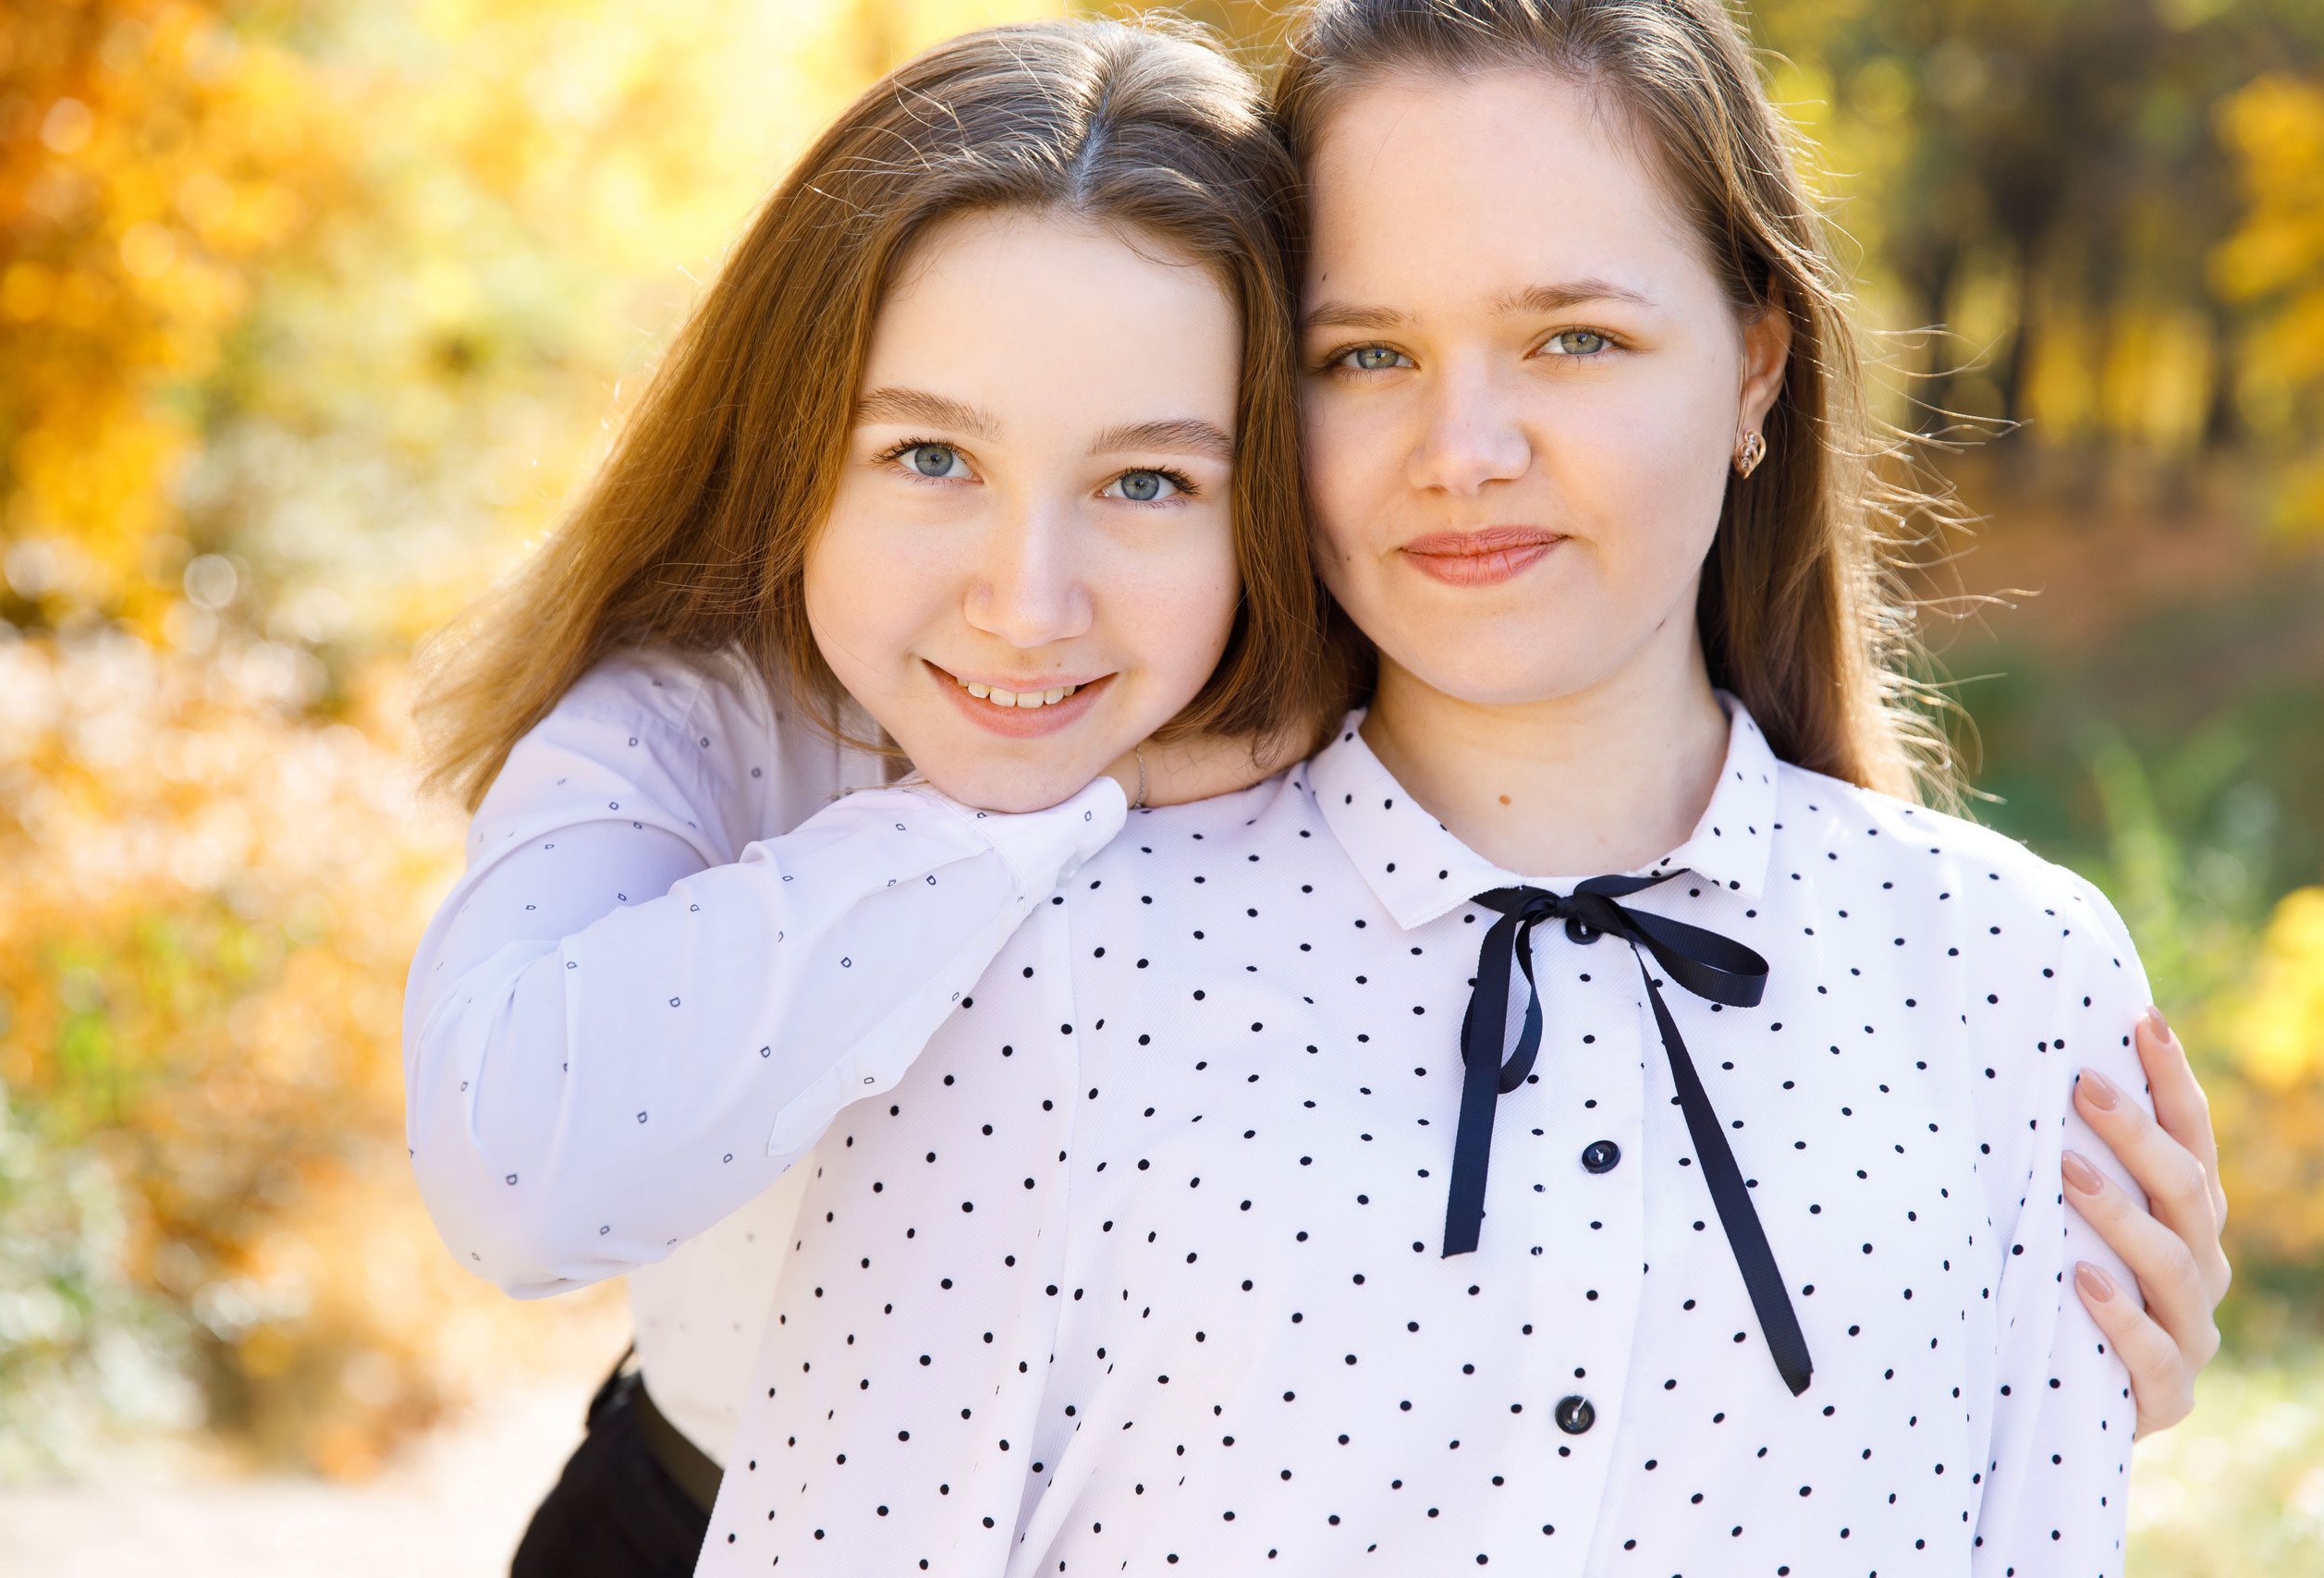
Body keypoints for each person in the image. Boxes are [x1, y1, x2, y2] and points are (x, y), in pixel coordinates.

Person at [403, 8, 2232, 1576]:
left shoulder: (2003, 971)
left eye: (1572, 338)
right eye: (1365, 355)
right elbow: (520, 1167)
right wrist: (1040, 824)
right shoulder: (953, 885)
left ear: (1754, 362)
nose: (1463, 451)